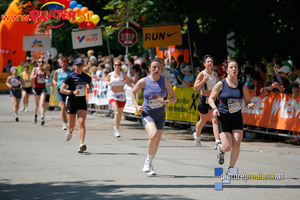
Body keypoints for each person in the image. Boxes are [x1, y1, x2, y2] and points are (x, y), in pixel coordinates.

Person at [131, 58, 177, 175]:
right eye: (154, 67)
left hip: (160, 115)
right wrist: (137, 106)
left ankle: (149, 163)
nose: (156, 69)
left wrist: (166, 101)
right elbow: (133, 92)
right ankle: (148, 161)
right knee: (153, 134)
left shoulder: (165, 81)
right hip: (147, 113)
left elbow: (174, 98)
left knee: (156, 142)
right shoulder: (143, 81)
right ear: (150, 68)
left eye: (159, 67)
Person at [208, 60, 254, 169]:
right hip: (223, 117)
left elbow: (247, 101)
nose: (234, 69)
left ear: (238, 70)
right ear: (227, 70)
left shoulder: (242, 87)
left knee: (237, 144)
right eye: (231, 67)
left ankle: (231, 168)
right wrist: (214, 108)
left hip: (236, 117)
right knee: (227, 147)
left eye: (236, 67)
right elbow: (210, 98)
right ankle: (221, 149)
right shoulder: (221, 84)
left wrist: (250, 104)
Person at [60, 58, 93, 153]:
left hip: (82, 101)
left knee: (81, 123)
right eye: (77, 65)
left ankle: (81, 145)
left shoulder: (86, 76)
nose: (79, 67)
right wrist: (72, 92)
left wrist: (90, 89)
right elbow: (62, 89)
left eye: (81, 65)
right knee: (71, 125)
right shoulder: (70, 77)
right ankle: (70, 131)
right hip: (72, 101)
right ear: (74, 66)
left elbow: (91, 84)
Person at [193, 55, 220, 149]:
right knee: (203, 121)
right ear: (204, 64)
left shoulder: (215, 74)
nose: (210, 63)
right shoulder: (201, 74)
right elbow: (195, 88)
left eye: (211, 62)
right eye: (208, 62)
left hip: (212, 99)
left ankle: (217, 141)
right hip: (204, 99)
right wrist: (203, 81)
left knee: (215, 120)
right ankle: (197, 135)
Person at [106, 59, 133, 138]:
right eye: (116, 65)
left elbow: (130, 85)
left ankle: (116, 126)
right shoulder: (110, 74)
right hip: (113, 95)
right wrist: (109, 83)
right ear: (113, 66)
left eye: (119, 65)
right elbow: (106, 81)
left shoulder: (123, 74)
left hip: (121, 95)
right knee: (117, 112)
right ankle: (117, 130)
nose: (117, 66)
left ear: (120, 66)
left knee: (120, 114)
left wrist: (124, 81)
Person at [30, 57, 51, 125]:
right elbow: (31, 79)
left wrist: (47, 76)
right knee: (36, 105)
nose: (41, 63)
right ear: (37, 63)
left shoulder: (45, 70)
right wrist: (36, 75)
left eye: (42, 62)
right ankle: (35, 116)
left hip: (43, 88)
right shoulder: (35, 69)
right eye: (39, 62)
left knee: (42, 104)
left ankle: (42, 118)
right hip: (36, 88)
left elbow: (48, 77)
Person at [53, 58, 71, 130]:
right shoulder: (57, 71)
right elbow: (54, 79)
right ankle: (64, 124)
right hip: (60, 91)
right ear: (61, 64)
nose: (64, 65)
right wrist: (54, 82)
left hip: (68, 91)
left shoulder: (70, 71)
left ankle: (69, 122)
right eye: (63, 63)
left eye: (66, 63)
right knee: (63, 107)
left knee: (68, 108)